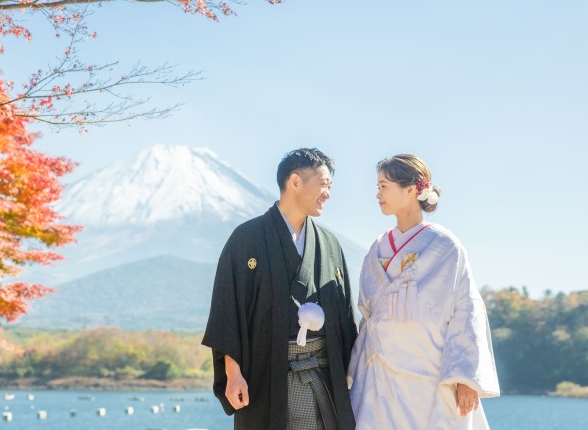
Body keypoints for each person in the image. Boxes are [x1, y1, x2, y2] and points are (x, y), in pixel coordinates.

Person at [202, 148, 358, 430]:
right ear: (295, 181)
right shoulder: (246, 238)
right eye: (323, 184)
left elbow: (345, 322)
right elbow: (228, 310)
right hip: (265, 377)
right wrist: (233, 373)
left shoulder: (329, 245)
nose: (328, 193)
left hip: (322, 377)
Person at [348, 154, 500, 429]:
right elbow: (367, 314)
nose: (377, 194)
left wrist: (466, 378)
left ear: (410, 190)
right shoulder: (377, 248)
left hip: (429, 371)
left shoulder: (445, 246)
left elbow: (467, 309)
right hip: (380, 374)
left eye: (384, 186)